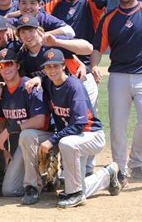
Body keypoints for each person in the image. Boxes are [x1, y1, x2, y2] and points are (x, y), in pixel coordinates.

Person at [39, 48, 120, 208]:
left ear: (63, 66)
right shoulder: (48, 83)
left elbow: (79, 125)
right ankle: (107, 175)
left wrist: (52, 140)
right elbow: (39, 82)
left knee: (66, 144)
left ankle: (75, 195)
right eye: (48, 67)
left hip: (91, 135)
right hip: (74, 138)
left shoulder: (74, 86)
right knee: (78, 184)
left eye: (56, 66)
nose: (52, 70)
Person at [90, 0, 142, 186]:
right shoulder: (109, 18)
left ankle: (137, 162)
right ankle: (119, 169)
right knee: (118, 125)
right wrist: (94, 64)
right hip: (118, 75)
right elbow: (98, 48)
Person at [0, 48, 49, 201]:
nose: (6, 68)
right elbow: (0, 122)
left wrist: (10, 130)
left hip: (45, 140)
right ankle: (45, 178)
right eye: (2, 66)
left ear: (17, 66)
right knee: (9, 190)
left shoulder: (29, 86)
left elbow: (40, 120)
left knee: (26, 134)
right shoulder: (1, 91)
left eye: (9, 63)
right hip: (22, 145)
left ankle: (33, 187)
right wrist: (5, 151)